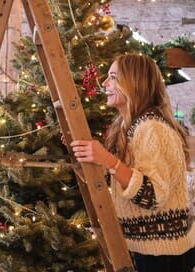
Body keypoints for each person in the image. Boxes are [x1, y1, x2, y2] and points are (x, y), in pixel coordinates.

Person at [71, 53, 195, 272]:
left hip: (163, 254)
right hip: (151, 248)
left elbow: (152, 195)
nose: (105, 84)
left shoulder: (152, 129)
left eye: (112, 77)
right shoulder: (132, 127)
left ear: (133, 83)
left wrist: (106, 159)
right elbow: (124, 178)